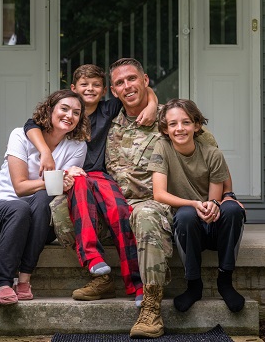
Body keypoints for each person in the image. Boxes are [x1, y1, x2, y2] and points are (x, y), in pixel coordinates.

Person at [105, 58, 229, 338]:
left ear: (146, 80)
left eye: (132, 79)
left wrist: (227, 195)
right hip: (116, 203)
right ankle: (99, 279)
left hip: (159, 203)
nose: (127, 86)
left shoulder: (172, 118)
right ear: (113, 91)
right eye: (120, 83)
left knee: (146, 215)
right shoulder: (107, 120)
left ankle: (151, 307)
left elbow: (214, 158)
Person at [24, 64, 157, 305]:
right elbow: (30, 125)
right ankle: (93, 258)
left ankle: (137, 285)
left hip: (100, 174)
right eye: (84, 85)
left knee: (119, 211)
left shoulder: (109, 108)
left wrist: (153, 105)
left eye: (96, 85)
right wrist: (45, 152)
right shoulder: (66, 114)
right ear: (73, 89)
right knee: (81, 196)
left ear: (106, 90)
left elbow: (145, 92)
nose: (90, 89)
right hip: (73, 176)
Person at [0, 89, 90, 305]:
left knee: (42, 198)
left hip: (39, 222)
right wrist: (56, 172)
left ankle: (24, 280)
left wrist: (62, 181)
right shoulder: (20, 135)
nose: (70, 116)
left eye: (76, 113)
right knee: (20, 207)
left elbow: (58, 188)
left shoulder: (77, 147)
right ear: (49, 110)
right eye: (64, 109)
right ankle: (3, 283)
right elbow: (20, 187)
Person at [148, 98, 246, 316]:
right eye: (173, 124)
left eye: (185, 122)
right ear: (165, 128)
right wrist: (193, 203)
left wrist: (213, 206)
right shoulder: (162, 148)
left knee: (232, 209)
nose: (180, 128)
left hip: (213, 225)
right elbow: (159, 193)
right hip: (187, 228)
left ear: (196, 125)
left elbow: (214, 198)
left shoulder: (212, 153)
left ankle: (225, 281)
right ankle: (194, 285)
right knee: (185, 214)